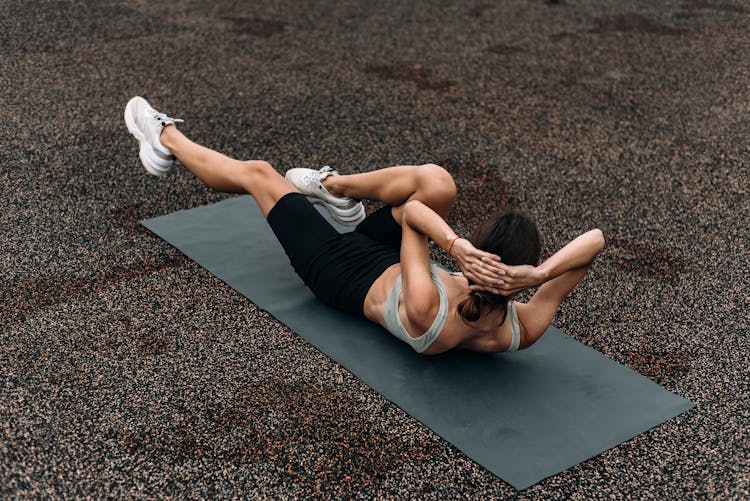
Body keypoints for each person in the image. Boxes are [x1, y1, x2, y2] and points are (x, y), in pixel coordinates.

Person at [124, 96, 605, 355]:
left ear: (480, 251)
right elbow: (595, 241)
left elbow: (416, 219)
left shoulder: (428, 306)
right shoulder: (520, 327)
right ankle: (334, 189)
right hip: (387, 261)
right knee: (439, 183)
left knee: (259, 174)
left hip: (336, 272)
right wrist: (539, 278)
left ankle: (164, 137)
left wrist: (454, 245)